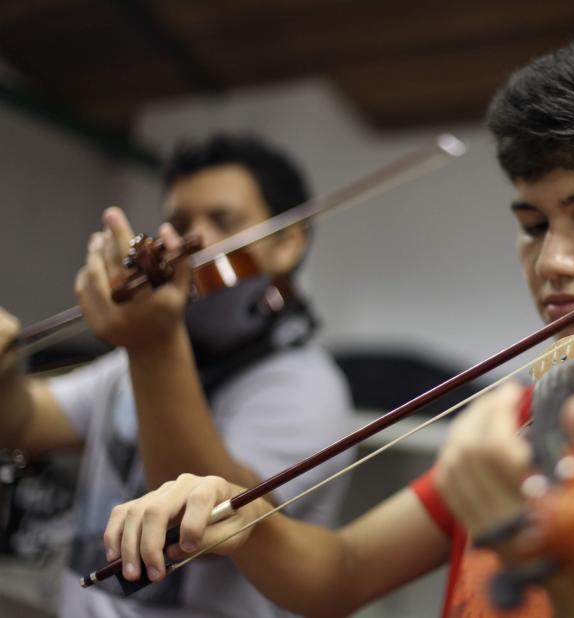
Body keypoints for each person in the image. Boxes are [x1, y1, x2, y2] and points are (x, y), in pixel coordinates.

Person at [97, 34, 574, 617]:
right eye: (532, 225)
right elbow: (338, 576)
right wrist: (244, 522)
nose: (552, 262)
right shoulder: (539, 413)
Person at [0, 135, 355, 617]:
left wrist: (152, 344)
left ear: (287, 241)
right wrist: (5, 373)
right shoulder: (135, 361)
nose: (193, 242)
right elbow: (22, 423)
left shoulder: (307, 388)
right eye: (181, 223)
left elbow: (206, 524)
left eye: (222, 220)